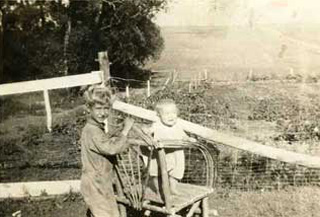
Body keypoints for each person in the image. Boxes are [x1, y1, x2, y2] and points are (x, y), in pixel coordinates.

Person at [80, 85, 134, 217]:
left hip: (98, 181)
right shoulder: (93, 131)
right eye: (98, 109)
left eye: (106, 108)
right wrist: (125, 131)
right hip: (96, 184)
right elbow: (111, 149)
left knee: (107, 211)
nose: (102, 113)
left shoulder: (93, 128)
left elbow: (104, 140)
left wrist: (117, 131)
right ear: (89, 109)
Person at [144, 99, 195, 195]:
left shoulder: (177, 125)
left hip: (176, 153)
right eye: (167, 114)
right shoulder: (157, 125)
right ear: (159, 115)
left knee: (177, 171)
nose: (171, 116)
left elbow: (183, 135)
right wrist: (148, 132)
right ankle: (159, 190)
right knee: (158, 173)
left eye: (173, 113)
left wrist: (188, 139)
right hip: (161, 154)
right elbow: (148, 131)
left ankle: (173, 187)